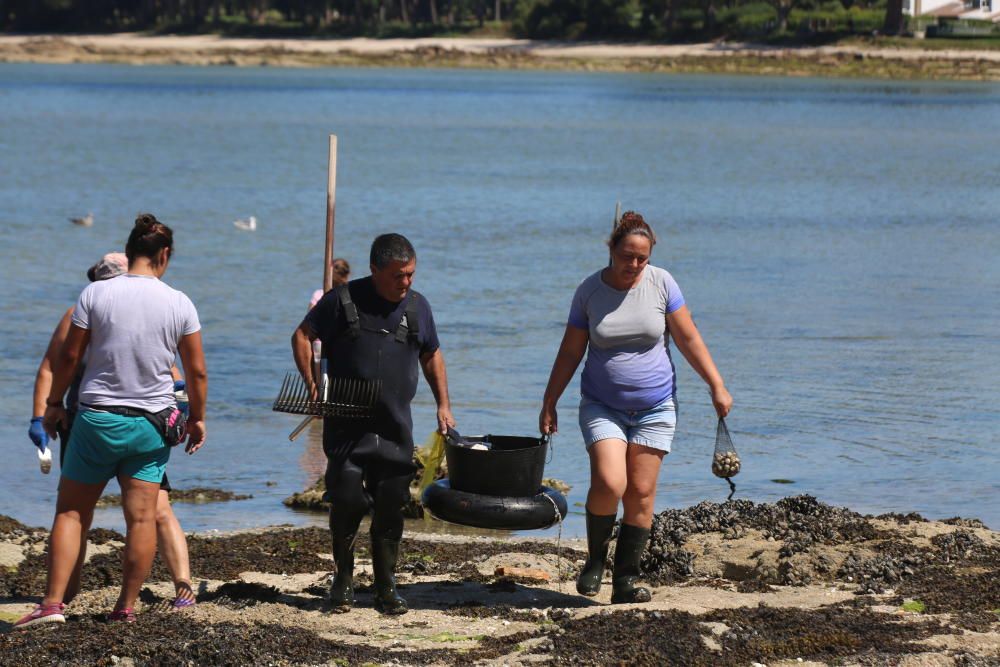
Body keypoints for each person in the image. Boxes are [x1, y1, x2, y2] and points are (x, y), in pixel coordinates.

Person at [15, 214, 207, 629]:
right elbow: (196, 373)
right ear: (164, 254)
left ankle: (51, 606)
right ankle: (125, 607)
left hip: (97, 420)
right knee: (141, 518)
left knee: (70, 513)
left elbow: (67, 358)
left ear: (131, 248)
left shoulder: (94, 295)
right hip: (152, 424)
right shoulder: (179, 302)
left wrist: (51, 404)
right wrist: (198, 419)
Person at [539, 211, 732, 604]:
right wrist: (549, 400)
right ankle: (595, 560)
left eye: (642, 258)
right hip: (601, 405)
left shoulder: (662, 283)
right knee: (611, 483)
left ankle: (625, 580)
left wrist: (716, 384)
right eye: (627, 256)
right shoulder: (589, 291)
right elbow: (571, 350)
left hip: (656, 407)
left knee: (641, 494)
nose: (634, 265)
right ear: (611, 249)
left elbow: (689, 338)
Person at [291, 234, 453, 615]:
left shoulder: (418, 307)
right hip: (347, 426)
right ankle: (343, 580)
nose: (406, 282)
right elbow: (302, 336)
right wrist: (311, 383)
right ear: (375, 270)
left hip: (395, 428)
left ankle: (386, 587)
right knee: (346, 502)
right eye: (398, 275)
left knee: (390, 508)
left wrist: (444, 404)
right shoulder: (341, 301)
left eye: (411, 273)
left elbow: (432, 354)